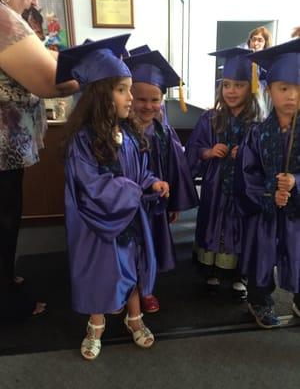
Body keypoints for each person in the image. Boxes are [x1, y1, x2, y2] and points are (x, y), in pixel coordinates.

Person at [59, 34, 170, 360]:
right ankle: (96, 324)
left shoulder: (131, 133)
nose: (130, 97)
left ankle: (134, 318)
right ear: (98, 95)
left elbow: (139, 170)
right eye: (122, 89)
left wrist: (152, 183)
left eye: (129, 89)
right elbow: (91, 185)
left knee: (132, 268)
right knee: (101, 272)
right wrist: (135, 191)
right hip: (96, 223)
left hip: (129, 218)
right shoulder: (82, 140)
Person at [0, 0, 79, 320]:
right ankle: (6, 304)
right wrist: (92, 70)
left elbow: (47, 61)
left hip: (7, 150)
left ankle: (5, 276)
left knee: (8, 212)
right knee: (2, 217)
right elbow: (50, 82)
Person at [124, 48, 199, 313]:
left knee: (151, 247)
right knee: (126, 249)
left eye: (155, 99)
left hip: (154, 205)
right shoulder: (119, 131)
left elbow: (175, 169)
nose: (148, 105)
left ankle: (147, 290)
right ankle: (124, 291)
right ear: (129, 97)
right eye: (140, 99)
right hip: (126, 205)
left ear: (162, 100)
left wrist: (174, 203)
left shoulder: (164, 132)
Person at [185, 47, 260, 302]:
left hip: (243, 188)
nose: (231, 91)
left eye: (238, 85)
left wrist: (247, 154)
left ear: (250, 88)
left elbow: (266, 157)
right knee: (212, 222)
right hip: (215, 186)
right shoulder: (211, 118)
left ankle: (239, 276)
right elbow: (193, 148)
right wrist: (208, 152)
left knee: (241, 226)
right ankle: (212, 271)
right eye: (226, 84)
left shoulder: (257, 124)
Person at [237, 38, 300, 328]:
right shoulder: (257, 134)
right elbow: (247, 174)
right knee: (262, 256)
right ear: (268, 90)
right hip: (265, 212)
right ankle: (259, 299)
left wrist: (296, 182)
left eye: (299, 88)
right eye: (283, 88)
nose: (292, 96)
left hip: (297, 212)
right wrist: (268, 194)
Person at [247, 26, 273, 120]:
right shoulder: (241, 60)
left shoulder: (268, 63)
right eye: (253, 39)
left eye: (260, 40)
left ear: (265, 44)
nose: (255, 43)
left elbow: (265, 84)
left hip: (260, 102)